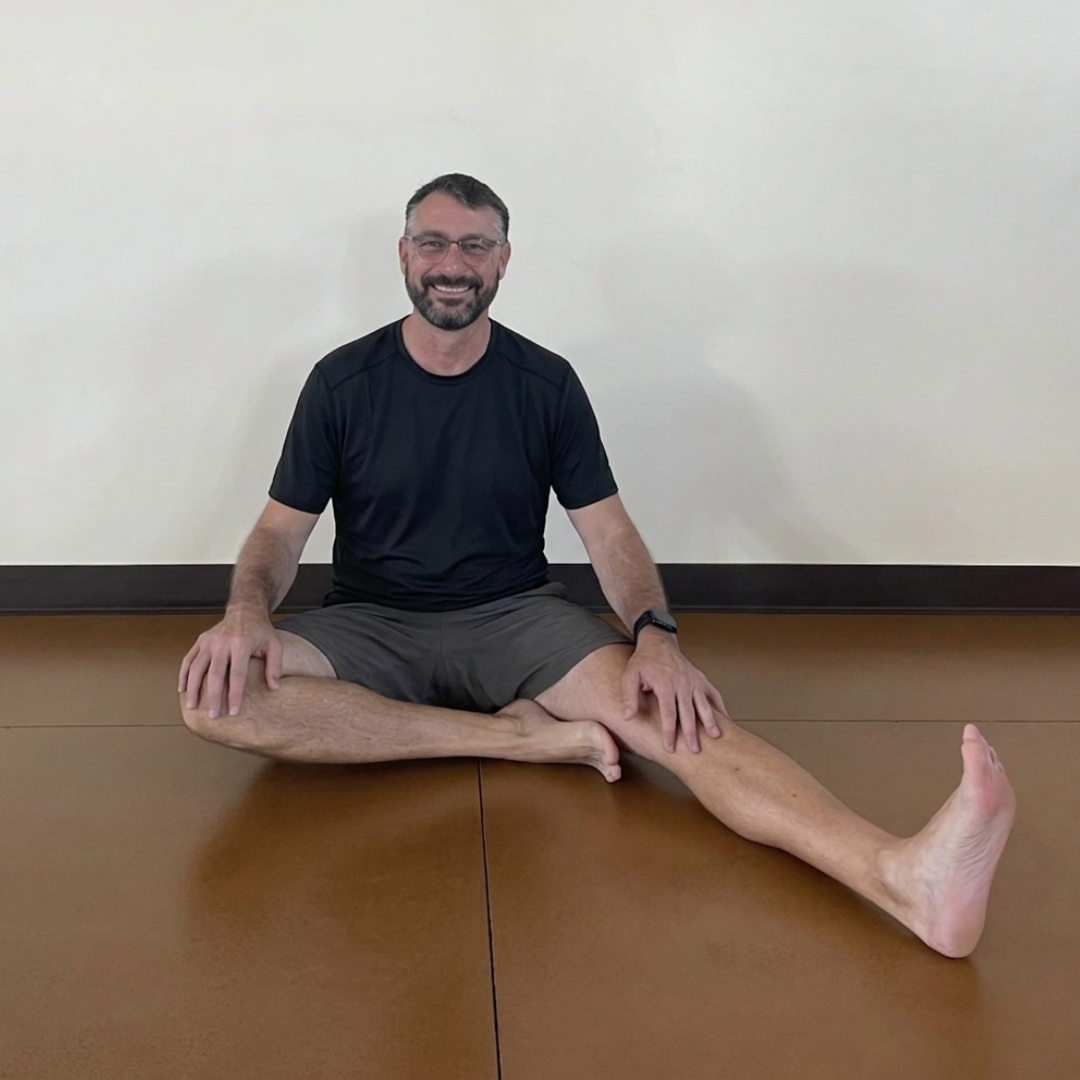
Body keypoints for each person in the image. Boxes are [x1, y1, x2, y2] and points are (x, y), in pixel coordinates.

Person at [179, 173, 1015, 958]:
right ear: (403, 255)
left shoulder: (545, 384)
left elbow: (610, 534)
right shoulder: (340, 382)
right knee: (216, 696)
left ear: (503, 260)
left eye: (474, 246)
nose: (452, 264)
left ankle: (901, 878)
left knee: (679, 718)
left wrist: (656, 636)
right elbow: (279, 532)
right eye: (432, 243)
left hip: (515, 619)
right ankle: (509, 738)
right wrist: (246, 615)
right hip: (373, 620)